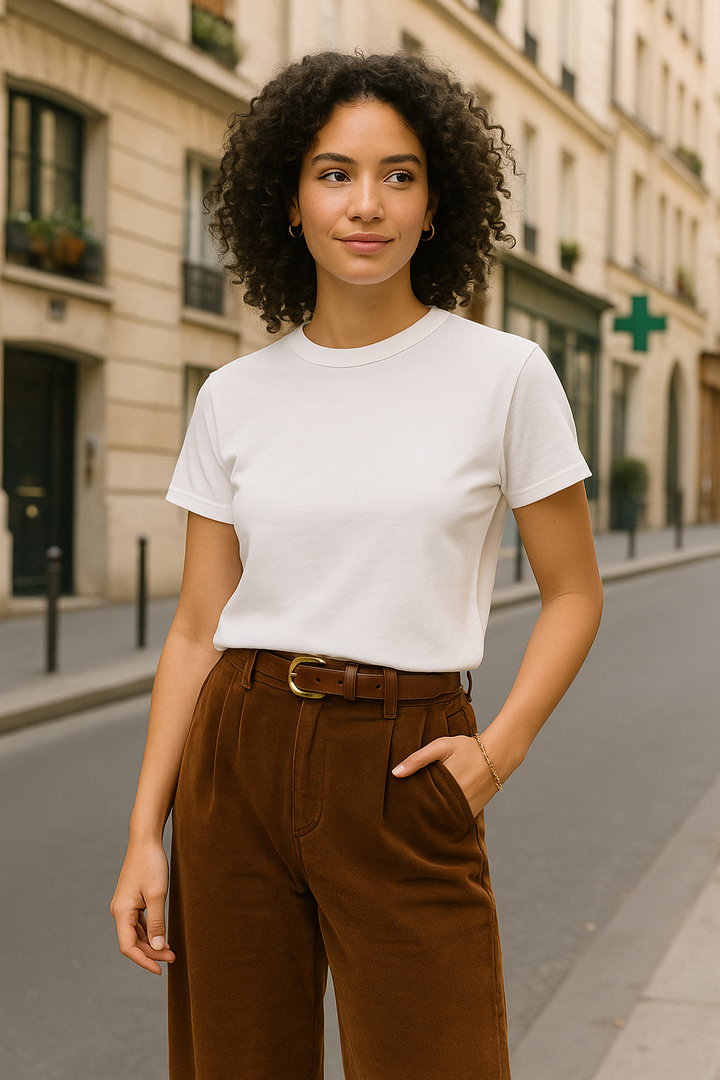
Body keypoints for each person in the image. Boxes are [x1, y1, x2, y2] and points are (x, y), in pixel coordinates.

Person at [111, 50, 603, 1080]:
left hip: (407, 757)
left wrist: (495, 753)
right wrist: (144, 832)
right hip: (234, 754)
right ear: (289, 202)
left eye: (400, 174)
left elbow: (573, 592)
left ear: (438, 204)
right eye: (334, 173)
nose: (365, 204)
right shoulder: (233, 396)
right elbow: (199, 626)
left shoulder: (505, 375)